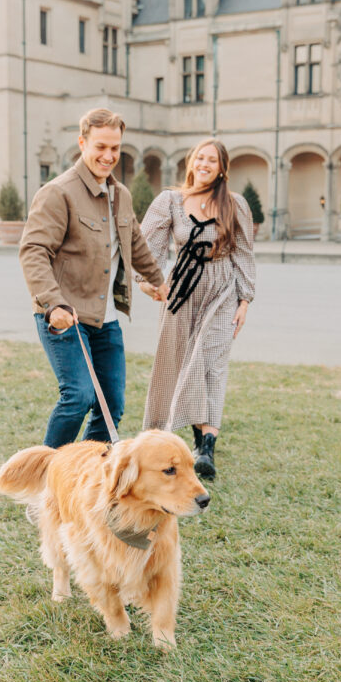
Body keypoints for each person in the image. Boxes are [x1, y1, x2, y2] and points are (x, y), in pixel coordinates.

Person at [19, 109, 167, 448]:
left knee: (111, 405)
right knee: (79, 396)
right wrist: (53, 303)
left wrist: (158, 281)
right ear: (82, 142)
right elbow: (33, 251)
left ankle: (86, 475)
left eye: (115, 148)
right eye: (101, 147)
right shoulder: (58, 193)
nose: (109, 156)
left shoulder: (121, 195)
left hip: (106, 318)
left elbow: (135, 243)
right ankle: (45, 481)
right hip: (65, 315)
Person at [137, 139, 256, 480]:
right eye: (199, 157)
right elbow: (146, 247)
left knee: (212, 362)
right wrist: (150, 284)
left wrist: (244, 299)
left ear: (222, 169)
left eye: (212, 160)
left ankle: (207, 448)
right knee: (179, 363)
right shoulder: (170, 201)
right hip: (182, 291)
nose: (204, 163)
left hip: (222, 289)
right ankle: (176, 437)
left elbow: (244, 253)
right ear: (191, 163)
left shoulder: (235, 205)